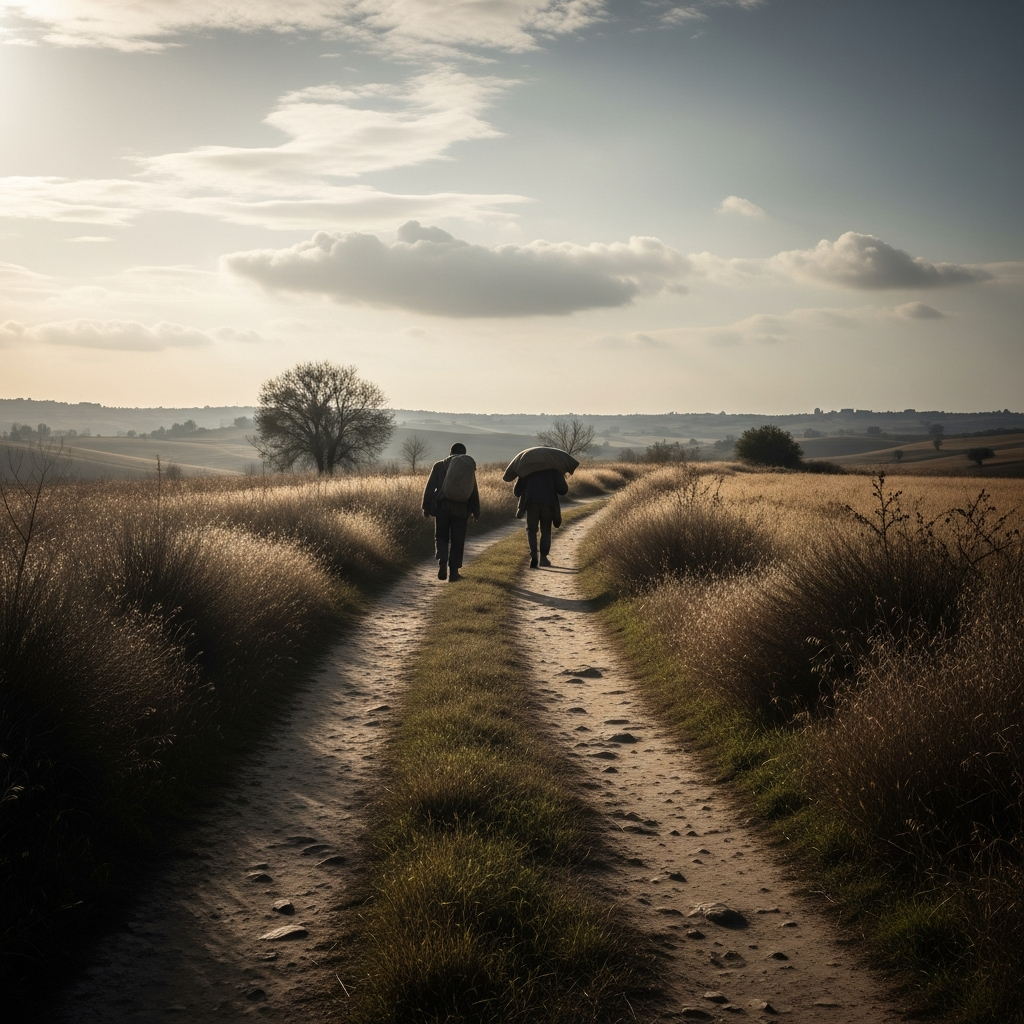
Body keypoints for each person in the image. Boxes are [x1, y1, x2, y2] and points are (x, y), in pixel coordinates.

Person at [422, 442, 480, 581]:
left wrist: (426, 507)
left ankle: (442, 561)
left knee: (441, 537)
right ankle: (453, 573)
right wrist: (476, 510)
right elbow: (473, 490)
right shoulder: (467, 468)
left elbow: (429, 488)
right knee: (457, 540)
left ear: (450, 453)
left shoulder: (439, 465)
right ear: (464, 455)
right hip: (461, 509)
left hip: (442, 508)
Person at [513, 467, 568, 568]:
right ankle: (543, 558)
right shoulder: (554, 469)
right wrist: (561, 474)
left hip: (531, 504)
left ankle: (534, 555)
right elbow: (563, 490)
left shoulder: (527, 467)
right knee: (546, 531)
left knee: (531, 530)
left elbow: (517, 491)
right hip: (548, 504)